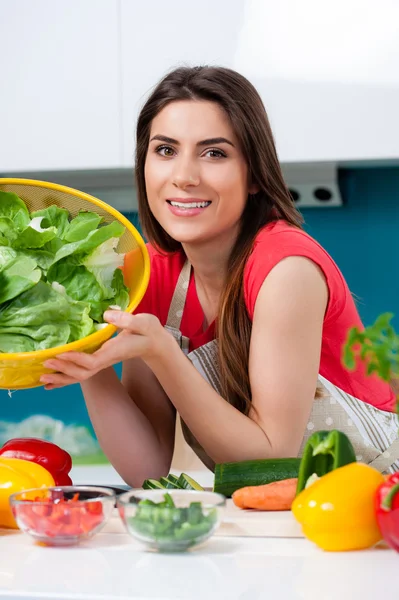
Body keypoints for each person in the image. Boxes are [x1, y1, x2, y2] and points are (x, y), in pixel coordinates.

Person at [40, 66, 399, 486]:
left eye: (214, 153)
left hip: (376, 496)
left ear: (253, 174)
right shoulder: (155, 273)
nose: (184, 176)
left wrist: (163, 354)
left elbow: (269, 457)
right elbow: (146, 468)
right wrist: (88, 356)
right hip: (285, 512)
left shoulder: (286, 269)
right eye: (166, 150)